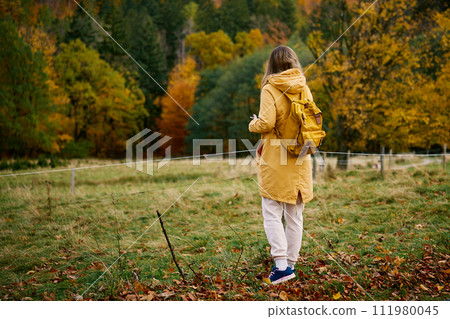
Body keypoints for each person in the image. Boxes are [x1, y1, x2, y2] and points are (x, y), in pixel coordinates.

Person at [249, 45, 313, 284]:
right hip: (300, 154)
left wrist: (252, 125)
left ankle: (281, 266)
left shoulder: (270, 87)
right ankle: (290, 265)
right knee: (295, 213)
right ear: (293, 61)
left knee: (272, 211)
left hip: (277, 155)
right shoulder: (303, 86)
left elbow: (266, 122)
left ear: (272, 65)